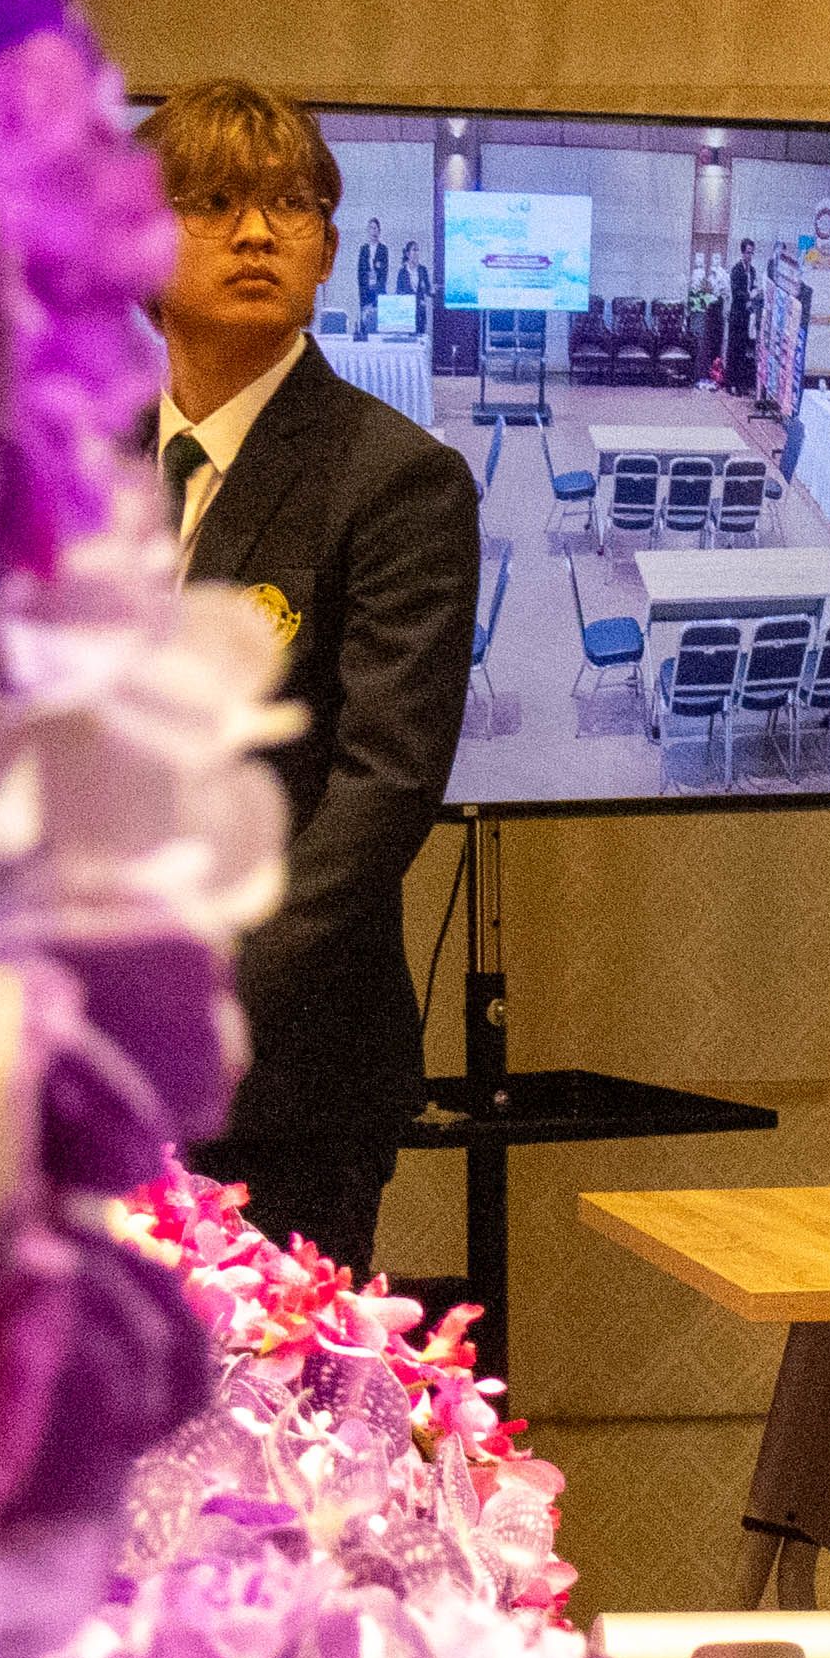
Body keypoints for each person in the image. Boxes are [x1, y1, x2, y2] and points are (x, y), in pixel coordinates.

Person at [142, 80, 480, 1277]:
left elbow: (381, 791)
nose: (257, 233)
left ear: (328, 250)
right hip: (83, 1064)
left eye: (290, 205)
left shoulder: (393, 478)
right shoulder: (91, 461)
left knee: (264, 1398)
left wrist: (201, 1007)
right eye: (213, 202)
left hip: (285, 1078)